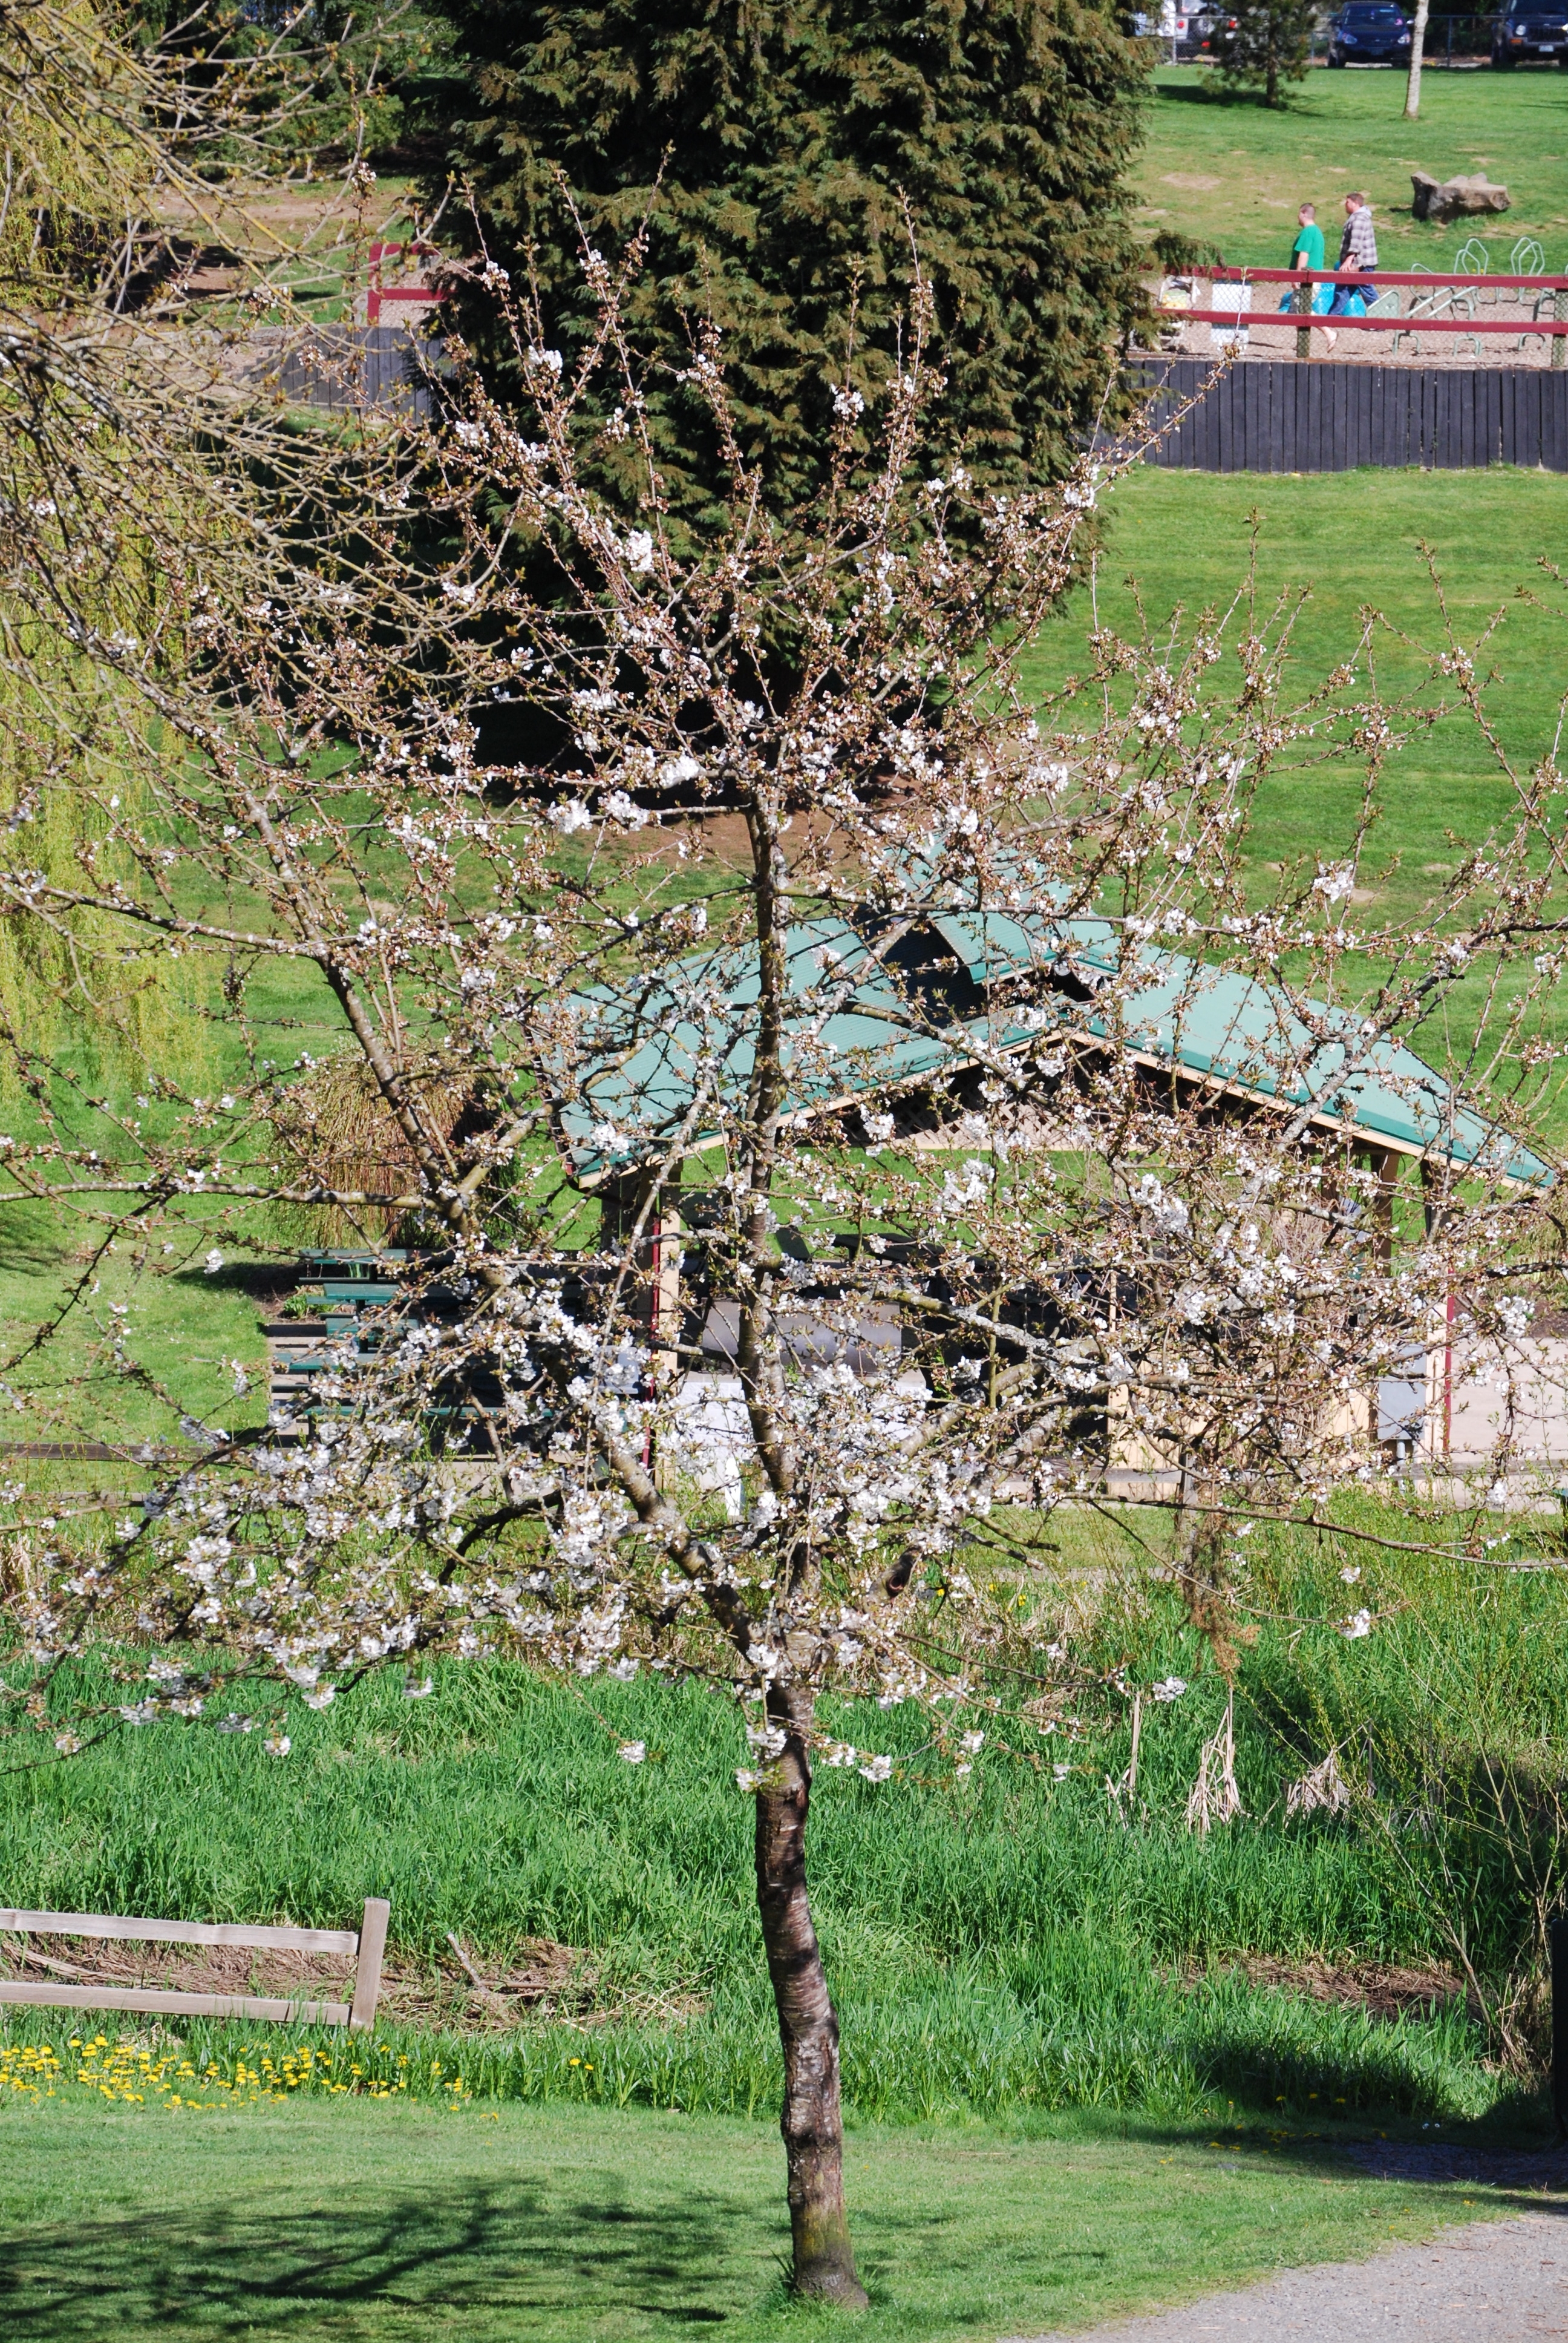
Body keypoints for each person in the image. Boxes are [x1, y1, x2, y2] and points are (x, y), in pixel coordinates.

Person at [1329, 191, 1377, 319]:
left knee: (1367, 292)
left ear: (1355, 203)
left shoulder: (1359, 218)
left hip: (1361, 264)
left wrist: (1348, 260)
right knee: (1342, 291)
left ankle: (1380, 318)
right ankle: (1331, 318)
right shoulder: (1357, 217)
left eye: (1348, 202)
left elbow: (1356, 241)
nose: (1345, 205)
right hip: (1356, 263)